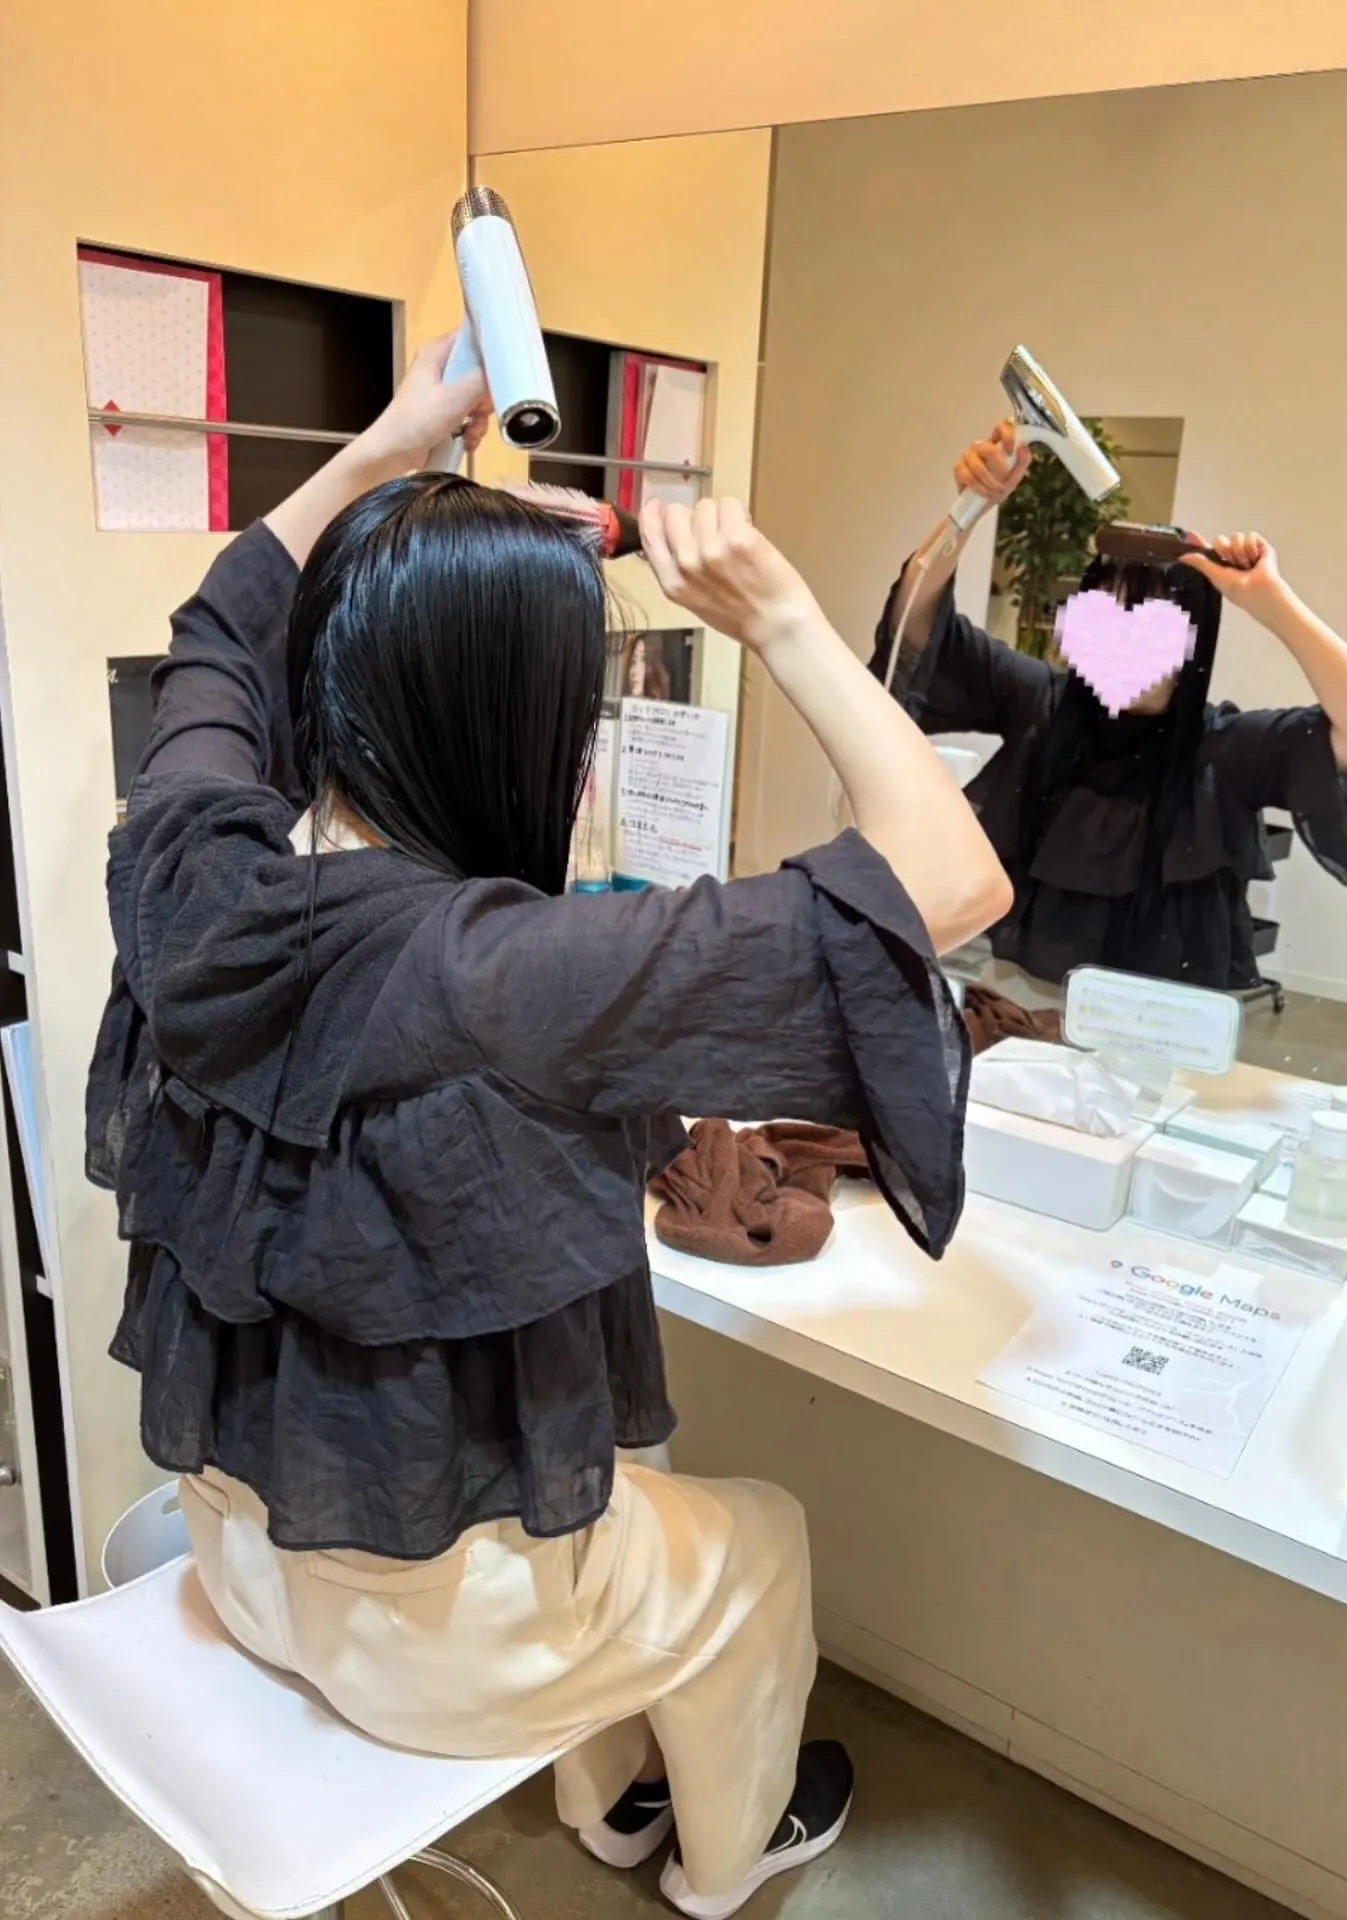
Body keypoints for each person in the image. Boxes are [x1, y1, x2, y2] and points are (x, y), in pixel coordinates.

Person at [86, 335, 1011, 1919]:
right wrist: (783, 618)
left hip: (241, 1559)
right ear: (525, 729)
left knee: (607, 1476)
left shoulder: (192, 874)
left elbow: (218, 626)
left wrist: (390, 440)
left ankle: (609, 1799)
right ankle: (725, 1861)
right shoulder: (507, 972)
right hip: (432, 1647)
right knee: (759, 1537)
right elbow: (954, 879)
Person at [872, 421, 1347, 992]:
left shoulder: (1227, 750)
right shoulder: (1042, 703)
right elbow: (915, 625)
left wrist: (1271, 602)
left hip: (1169, 1024)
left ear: (1188, 644)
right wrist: (970, 507)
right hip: (1022, 999)